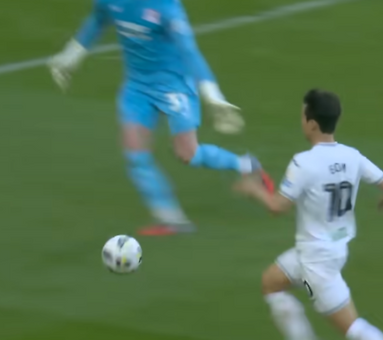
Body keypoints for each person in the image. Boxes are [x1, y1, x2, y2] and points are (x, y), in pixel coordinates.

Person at [233, 89, 383, 340]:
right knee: (271, 282)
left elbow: (277, 207)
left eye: (302, 115)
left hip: (317, 263)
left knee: (351, 328)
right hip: (325, 251)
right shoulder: (352, 156)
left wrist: (253, 189)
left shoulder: (304, 163)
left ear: (311, 123)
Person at [47, 0, 273, 236]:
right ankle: (172, 218)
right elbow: (97, 19)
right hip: (137, 88)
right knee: (135, 155)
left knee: (188, 154)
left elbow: (189, 51)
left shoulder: (166, 7)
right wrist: (70, 56)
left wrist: (212, 95)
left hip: (174, 86)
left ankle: (247, 165)